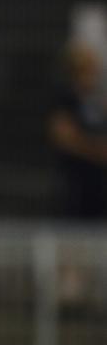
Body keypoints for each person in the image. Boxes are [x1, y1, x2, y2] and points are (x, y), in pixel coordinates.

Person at [48, 41, 107, 219]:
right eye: (87, 70)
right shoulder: (65, 99)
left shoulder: (93, 102)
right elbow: (63, 136)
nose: (93, 76)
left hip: (98, 186)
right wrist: (97, 150)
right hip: (75, 185)